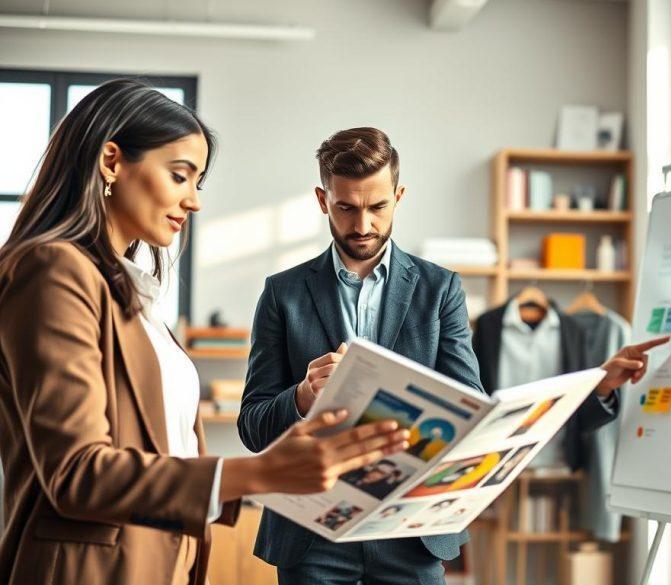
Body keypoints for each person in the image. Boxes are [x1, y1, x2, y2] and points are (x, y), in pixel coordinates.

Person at [0, 80, 410, 585]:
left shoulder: (132, 293)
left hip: (161, 564)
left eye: (198, 183)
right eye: (180, 176)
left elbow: (163, 449)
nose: (193, 201)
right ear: (112, 162)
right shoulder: (52, 269)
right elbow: (78, 473)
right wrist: (261, 471)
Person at [238, 126, 669, 584]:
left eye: (378, 207)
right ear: (323, 200)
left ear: (399, 196)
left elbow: (474, 409)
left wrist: (590, 389)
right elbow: (253, 425)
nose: (363, 225)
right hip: (312, 536)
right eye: (346, 207)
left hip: (410, 534)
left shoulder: (440, 289)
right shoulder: (282, 294)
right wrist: (303, 397)